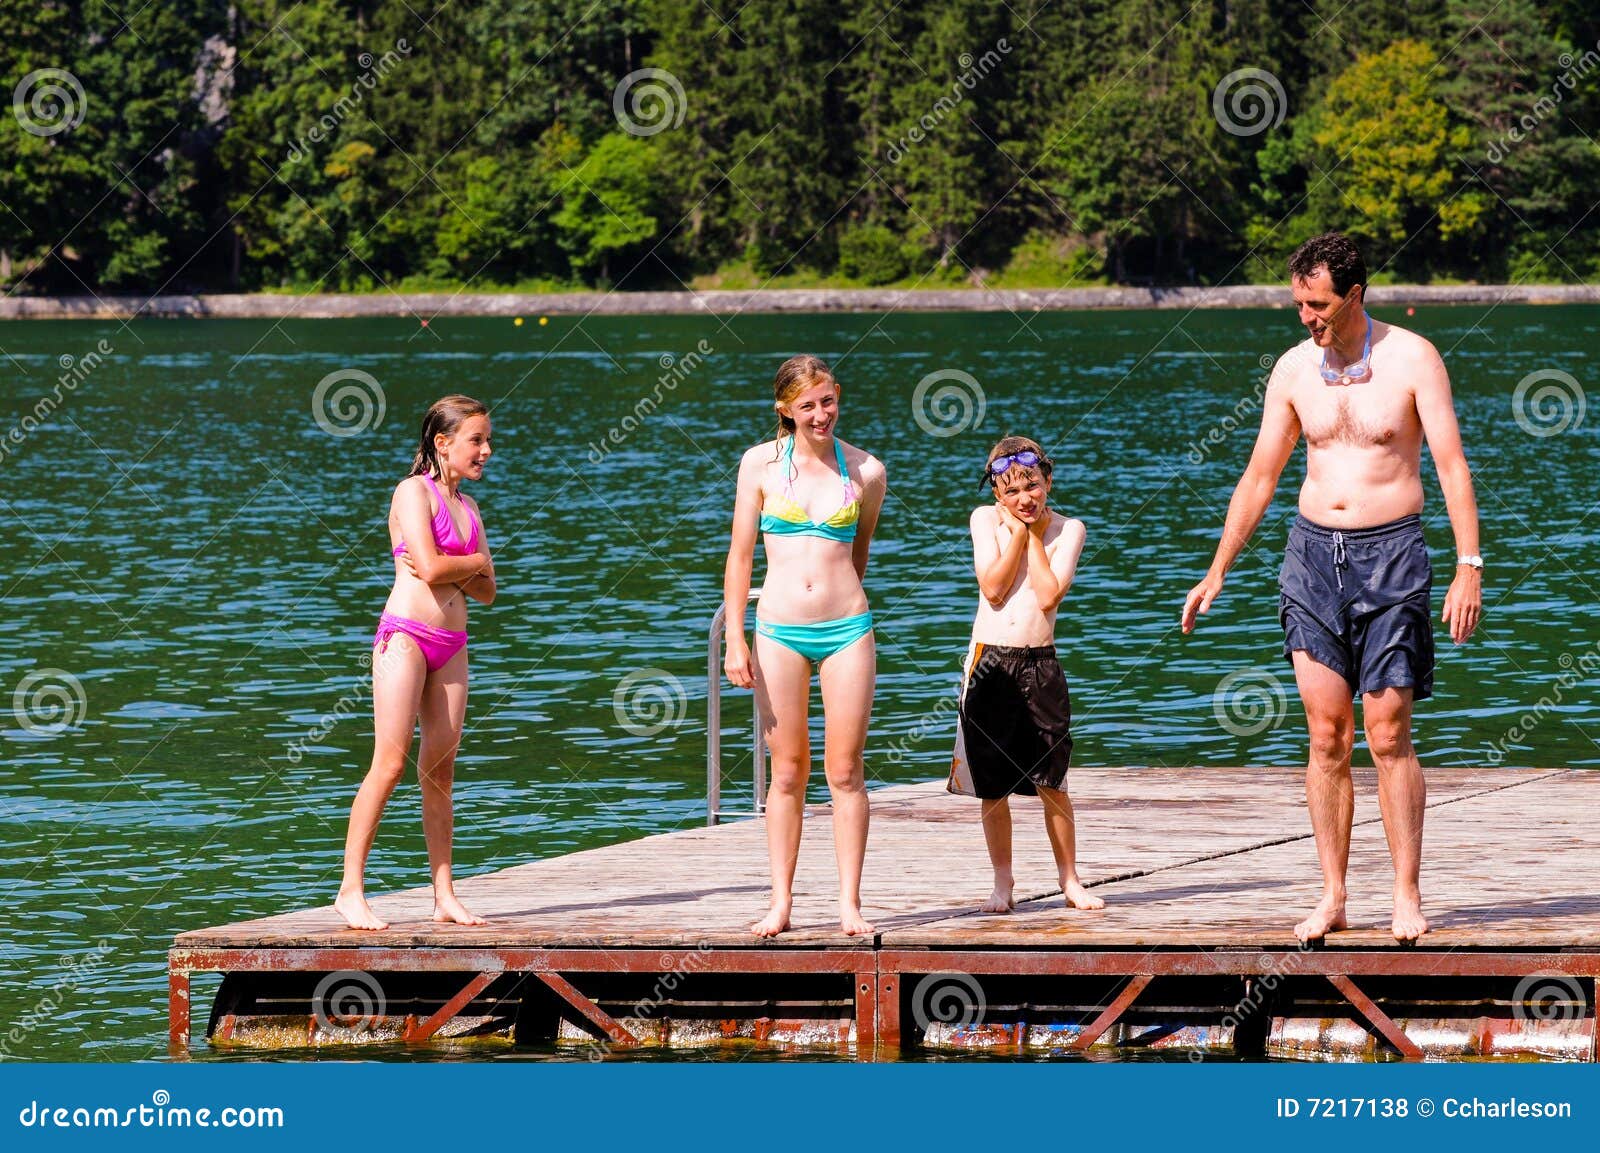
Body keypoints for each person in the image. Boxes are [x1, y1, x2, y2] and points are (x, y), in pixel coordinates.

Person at [1180, 232, 1482, 943]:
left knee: (1388, 731)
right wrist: (1218, 567)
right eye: (1297, 304)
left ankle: (1405, 893)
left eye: (1317, 304)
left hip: (1393, 556)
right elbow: (1260, 476)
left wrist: (1470, 565)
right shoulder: (1292, 372)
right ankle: (1334, 893)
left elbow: (1452, 466)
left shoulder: (1413, 359)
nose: (1305, 317)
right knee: (1326, 734)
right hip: (1312, 557)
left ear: (1355, 294)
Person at [723, 355, 887, 937]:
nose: (820, 414)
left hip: (848, 627)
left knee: (845, 770)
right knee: (787, 772)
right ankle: (781, 901)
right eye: (807, 406)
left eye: (827, 401)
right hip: (777, 631)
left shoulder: (867, 470)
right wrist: (736, 639)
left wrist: (842, 601)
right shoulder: (759, 465)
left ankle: (849, 905)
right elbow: (741, 556)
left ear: (838, 396)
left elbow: (858, 553)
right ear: (785, 410)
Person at [335, 395, 498, 931]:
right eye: (476, 440)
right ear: (442, 442)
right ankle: (350, 891)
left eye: (487, 440)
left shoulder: (470, 510)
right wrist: (469, 564)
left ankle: (444, 894)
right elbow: (428, 568)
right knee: (391, 762)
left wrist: (462, 565)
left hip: (453, 644)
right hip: (405, 637)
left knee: (440, 772)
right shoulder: (412, 492)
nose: (486, 452)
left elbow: (490, 592)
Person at [950, 436, 1105, 915]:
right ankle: (1003, 882)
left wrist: (1035, 534)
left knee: (1052, 780)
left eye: (1033, 487)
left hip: (1040, 662)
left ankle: (1070, 880)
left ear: (1048, 481)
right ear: (997, 492)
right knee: (993, 785)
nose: (1025, 499)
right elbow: (994, 589)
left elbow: (1047, 595)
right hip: (989, 662)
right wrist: (1018, 533)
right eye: (1012, 491)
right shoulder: (983, 520)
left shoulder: (1068, 529)